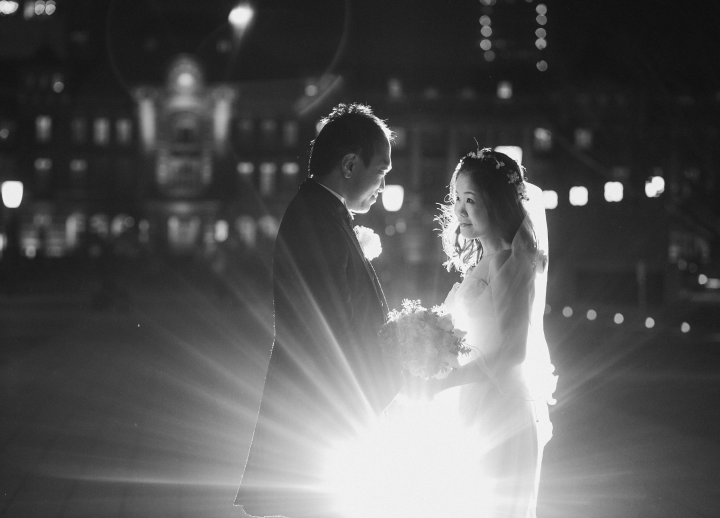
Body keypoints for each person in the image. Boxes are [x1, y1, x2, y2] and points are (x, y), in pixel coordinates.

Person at [235, 103, 404, 518]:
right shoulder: (318, 220)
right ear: (350, 165)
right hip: (320, 425)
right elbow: (331, 332)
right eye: (381, 172)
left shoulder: (324, 212)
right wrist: (389, 378)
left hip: (319, 418)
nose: (383, 185)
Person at [434, 148, 558, 518]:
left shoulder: (509, 261)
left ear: (498, 202)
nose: (458, 209)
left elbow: (512, 356)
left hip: (500, 413)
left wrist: (441, 382)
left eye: (470, 199)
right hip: (477, 404)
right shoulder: (485, 261)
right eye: (456, 197)